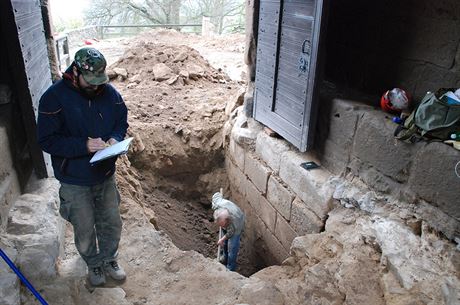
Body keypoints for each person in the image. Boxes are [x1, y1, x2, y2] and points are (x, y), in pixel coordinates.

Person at [37, 47, 128, 286]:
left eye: (100, 81)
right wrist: (83, 145)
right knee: (85, 228)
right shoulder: (53, 98)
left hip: (105, 174)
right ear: (75, 72)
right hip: (75, 179)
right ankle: (93, 263)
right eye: (91, 82)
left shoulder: (109, 93)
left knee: (111, 222)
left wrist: (116, 139)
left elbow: (121, 121)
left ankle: (109, 259)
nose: (96, 87)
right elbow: (46, 140)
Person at [211, 192, 245, 271]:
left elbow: (230, 233)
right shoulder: (217, 205)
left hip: (237, 223)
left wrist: (222, 239)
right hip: (227, 218)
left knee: (232, 248)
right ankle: (224, 256)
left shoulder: (234, 223)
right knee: (224, 241)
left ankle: (230, 268)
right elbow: (216, 195)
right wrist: (219, 194)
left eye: (223, 225)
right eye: (220, 225)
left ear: (227, 221)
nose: (221, 227)